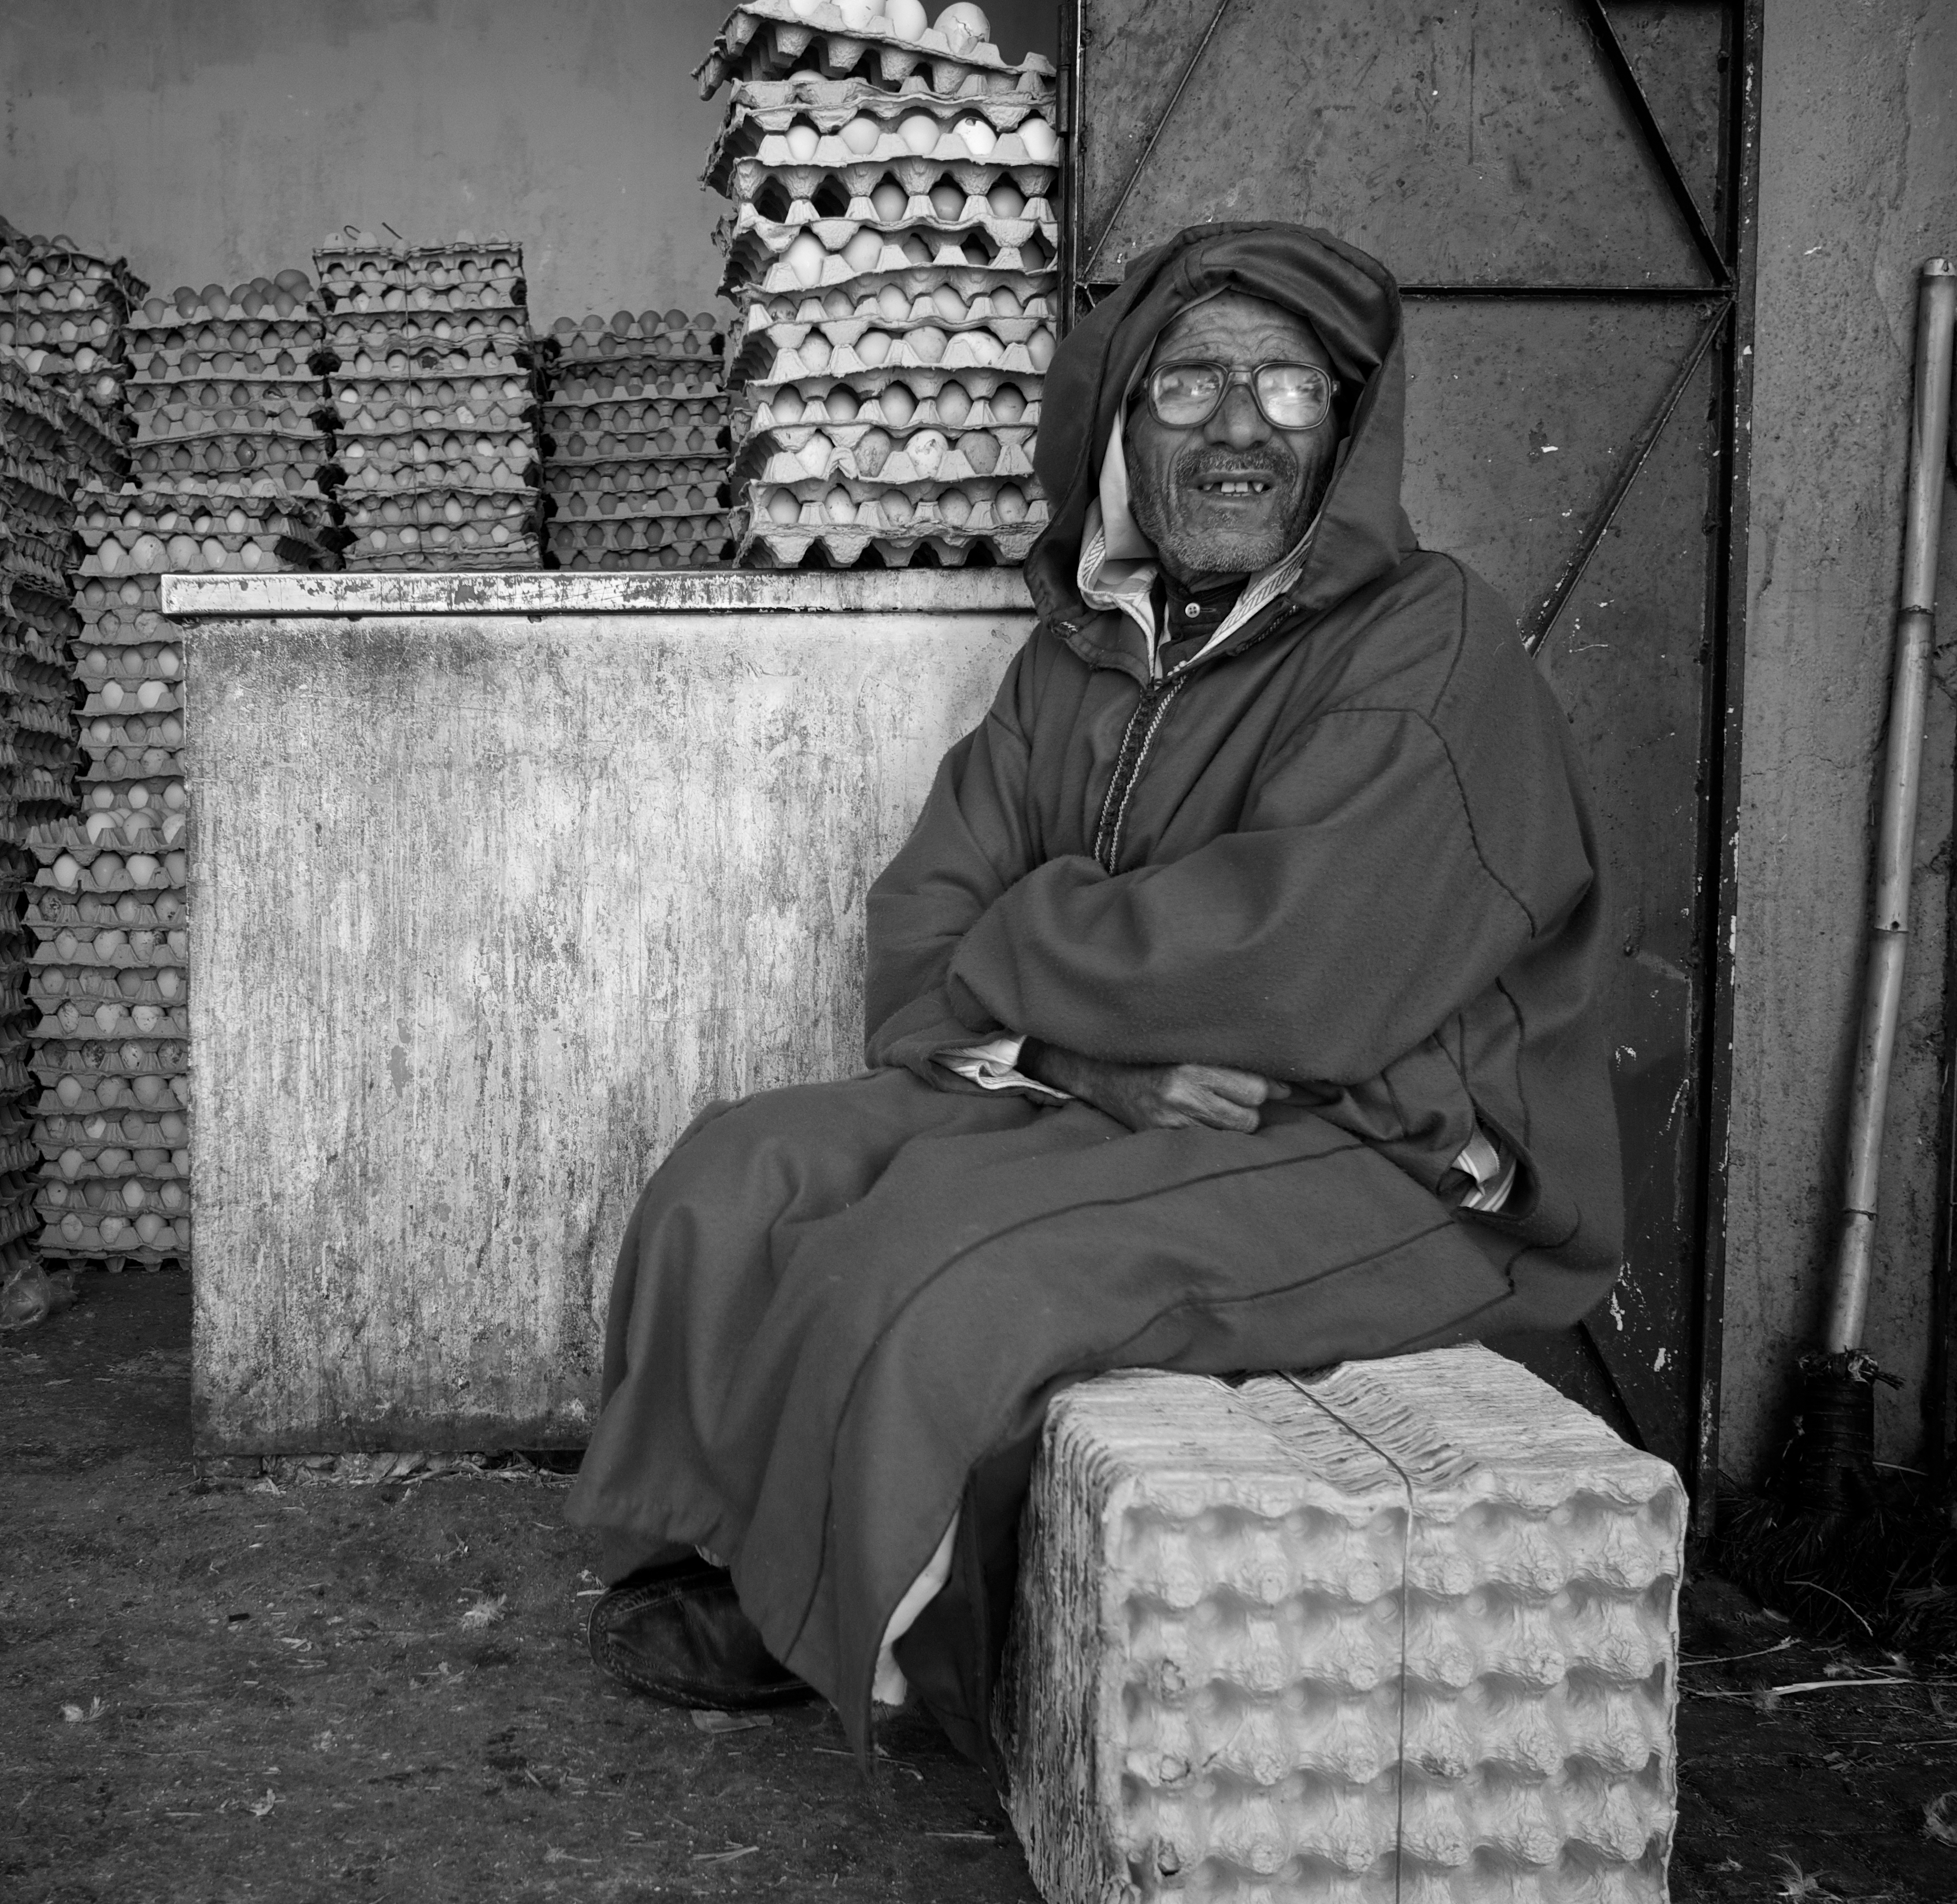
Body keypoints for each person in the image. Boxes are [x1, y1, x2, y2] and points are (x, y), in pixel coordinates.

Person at [564, 221, 1624, 1770]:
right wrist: (1072, 1047)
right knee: (740, 1167)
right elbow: (929, 905)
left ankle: (852, 1632)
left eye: (1288, 386)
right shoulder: (1079, 652)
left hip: (1384, 1147)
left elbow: (1288, 965)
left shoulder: (1427, 639)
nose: (1243, 427)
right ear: (1123, 430)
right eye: (1189, 385)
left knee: (938, 1275)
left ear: (1347, 427)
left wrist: (1031, 950)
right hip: (1138, 1093)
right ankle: (725, 1529)